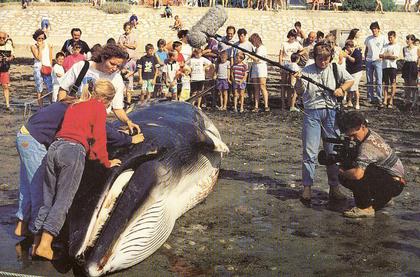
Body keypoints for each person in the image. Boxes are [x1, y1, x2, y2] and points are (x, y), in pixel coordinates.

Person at [15, 91, 144, 239]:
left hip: (24, 136)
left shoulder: (73, 102)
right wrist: (129, 140)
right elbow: (103, 131)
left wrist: (118, 130)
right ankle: (37, 238)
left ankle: (21, 225)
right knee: (40, 190)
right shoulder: (85, 107)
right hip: (34, 142)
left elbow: (102, 126)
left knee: (28, 185)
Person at [32, 80, 121, 260]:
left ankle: (35, 243)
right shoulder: (98, 108)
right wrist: (106, 161)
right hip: (72, 151)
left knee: (47, 199)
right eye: (110, 102)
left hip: (54, 148)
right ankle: (45, 246)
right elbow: (99, 139)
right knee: (63, 201)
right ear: (104, 99)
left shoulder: (75, 105)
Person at [294, 41, 354, 201]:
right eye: (320, 59)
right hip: (311, 113)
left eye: (326, 59)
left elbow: (350, 80)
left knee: (333, 153)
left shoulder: (335, 68)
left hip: (332, 114)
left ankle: (334, 188)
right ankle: (307, 187)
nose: (323, 62)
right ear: (315, 57)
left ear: (330, 57)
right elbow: (299, 91)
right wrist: (299, 80)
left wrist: (341, 89)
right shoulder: (306, 70)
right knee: (310, 151)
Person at [58, 43, 141, 134]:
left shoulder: (117, 79)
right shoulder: (82, 67)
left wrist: (127, 121)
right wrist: (62, 113)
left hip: (97, 123)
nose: (114, 68)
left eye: (118, 66)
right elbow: (63, 89)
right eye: (112, 64)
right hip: (73, 119)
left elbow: (117, 108)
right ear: (103, 58)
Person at [337, 112, 405, 218]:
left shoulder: (367, 147)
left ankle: (365, 208)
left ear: (362, 127)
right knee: (358, 167)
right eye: (349, 136)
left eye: (353, 135)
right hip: (393, 180)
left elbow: (357, 175)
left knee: (352, 172)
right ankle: (383, 198)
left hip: (394, 183)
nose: (351, 139)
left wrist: (342, 172)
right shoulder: (370, 134)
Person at [279, 30, 303, 110]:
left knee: (291, 84)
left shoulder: (297, 44)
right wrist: (280, 64)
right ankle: (282, 103)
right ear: (288, 36)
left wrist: (298, 55)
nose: (292, 37)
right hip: (285, 62)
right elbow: (281, 54)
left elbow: (303, 50)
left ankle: (290, 103)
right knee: (283, 84)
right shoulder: (284, 43)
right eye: (290, 36)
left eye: (293, 36)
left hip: (293, 63)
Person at [364, 22, 387, 106]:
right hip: (369, 61)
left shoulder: (383, 38)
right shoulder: (368, 39)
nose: (374, 31)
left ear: (378, 29)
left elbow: (385, 48)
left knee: (379, 80)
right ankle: (370, 97)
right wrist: (365, 58)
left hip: (378, 61)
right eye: (372, 29)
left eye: (375, 29)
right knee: (369, 80)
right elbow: (366, 49)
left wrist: (382, 57)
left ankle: (379, 98)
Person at [30, 29, 53, 108]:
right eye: (39, 38)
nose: (41, 40)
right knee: (39, 88)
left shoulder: (48, 45)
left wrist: (51, 67)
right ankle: (41, 107)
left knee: (50, 87)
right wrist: (39, 47)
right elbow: (38, 58)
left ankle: (52, 105)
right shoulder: (33, 46)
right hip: (38, 68)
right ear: (36, 38)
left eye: (42, 38)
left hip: (47, 67)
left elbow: (50, 57)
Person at [249, 33, 269, 112]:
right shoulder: (257, 49)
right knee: (256, 88)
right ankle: (256, 106)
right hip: (255, 68)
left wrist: (248, 54)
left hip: (261, 68)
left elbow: (257, 59)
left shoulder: (262, 48)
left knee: (262, 86)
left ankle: (266, 105)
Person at [380, 31, 401, 108]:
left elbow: (394, 57)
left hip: (392, 66)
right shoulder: (385, 46)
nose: (390, 39)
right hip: (385, 66)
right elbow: (380, 55)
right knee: (385, 84)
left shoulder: (397, 46)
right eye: (389, 37)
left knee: (393, 83)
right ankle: (385, 100)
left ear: (394, 37)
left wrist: (385, 55)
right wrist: (388, 55)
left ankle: (391, 100)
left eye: (391, 37)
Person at [343, 40, 363, 110]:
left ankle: (357, 103)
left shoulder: (357, 52)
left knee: (355, 87)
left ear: (350, 47)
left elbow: (354, 60)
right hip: (350, 71)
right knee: (349, 87)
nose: (346, 49)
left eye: (347, 48)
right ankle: (349, 102)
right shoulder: (348, 51)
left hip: (357, 72)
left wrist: (347, 56)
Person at [402, 34, 419, 109]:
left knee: (413, 84)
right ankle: (407, 101)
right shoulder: (404, 48)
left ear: (412, 40)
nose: (407, 41)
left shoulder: (416, 48)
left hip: (413, 65)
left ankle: (414, 101)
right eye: (407, 39)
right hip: (406, 65)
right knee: (407, 84)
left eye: (408, 39)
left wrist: (417, 67)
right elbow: (404, 57)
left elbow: (418, 58)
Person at [0, 31, 15, 112]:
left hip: (4, 69)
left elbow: (13, 55)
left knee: (5, 86)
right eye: (0, 38)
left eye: (3, 38)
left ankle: (7, 105)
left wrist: (9, 58)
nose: (1, 39)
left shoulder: (9, 45)